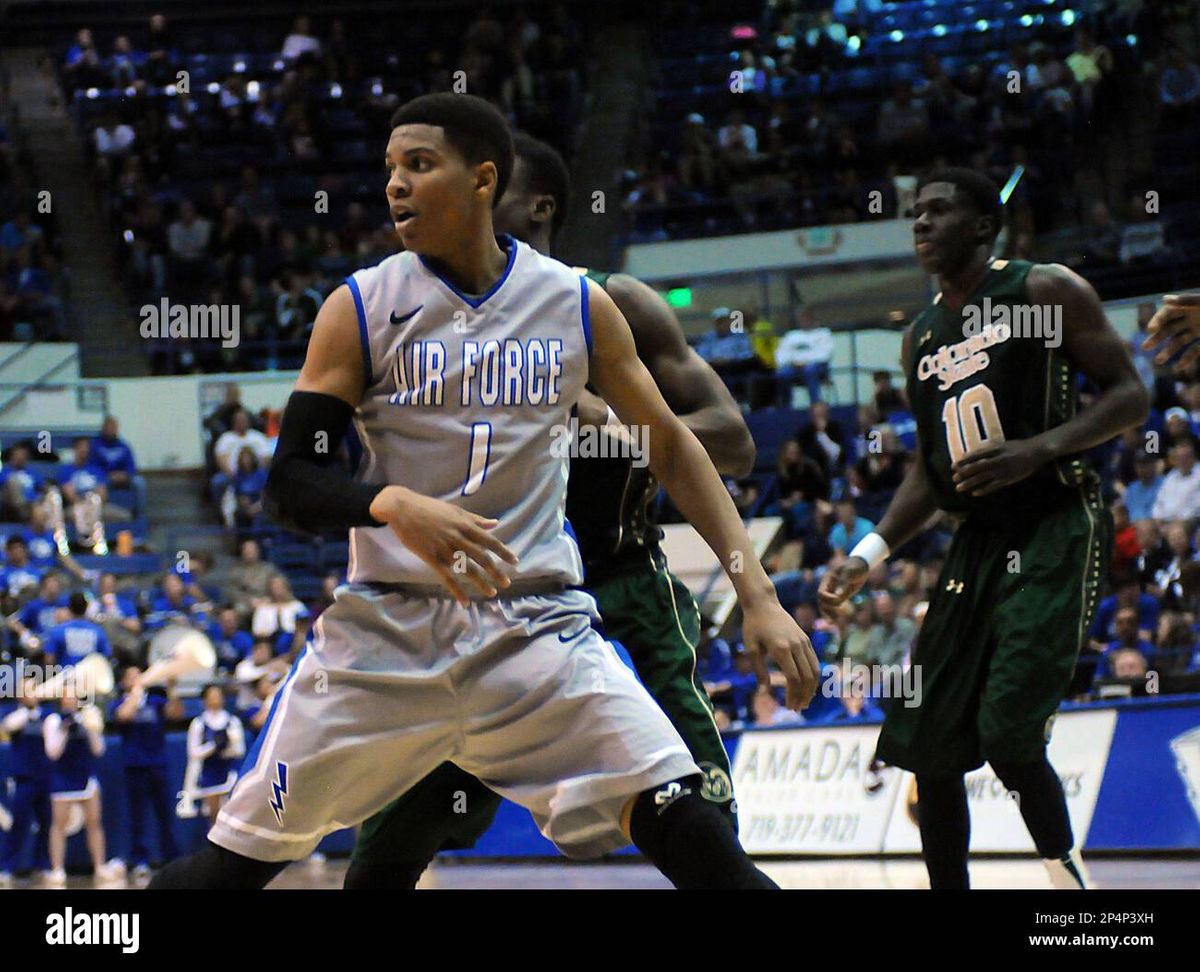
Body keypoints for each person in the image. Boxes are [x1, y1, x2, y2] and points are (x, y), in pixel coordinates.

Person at [151, 94, 818, 891]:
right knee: (228, 872)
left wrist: (760, 596)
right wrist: (391, 503)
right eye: (390, 169)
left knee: (697, 836)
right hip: (386, 639)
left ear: (483, 180)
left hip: (537, 633)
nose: (395, 185)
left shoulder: (576, 303)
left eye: (419, 165)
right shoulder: (359, 307)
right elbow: (290, 486)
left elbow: (674, 446)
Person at [346, 132, 756, 888]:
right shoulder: (425, 315)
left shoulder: (609, 303)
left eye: (484, 186)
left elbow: (732, 442)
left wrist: (610, 424)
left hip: (622, 581)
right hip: (496, 600)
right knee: (395, 838)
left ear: (536, 205)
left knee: (699, 818)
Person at [819, 168, 1149, 890]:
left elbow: (1131, 397)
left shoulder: (1044, 291)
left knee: (1006, 732)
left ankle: (1072, 890)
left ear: (982, 225)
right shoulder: (921, 338)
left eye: (939, 211)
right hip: (977, 540)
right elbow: (929, 473)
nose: (921, 224)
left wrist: (1039, 447)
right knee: (925, 737)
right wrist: (867, 551)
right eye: (915, 214)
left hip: (1056, 517)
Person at [108, 667, 184, 879]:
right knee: (138, 816)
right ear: (123, 682)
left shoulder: (156, 701)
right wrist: (136, 693)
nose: (137, 679)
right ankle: (140, 860)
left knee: (166, 814)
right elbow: (123, 716)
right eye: (131, 676)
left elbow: (176, 713)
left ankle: (172, 858)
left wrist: (172, 688)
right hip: (135, 766)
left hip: (158, 764)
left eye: (139, 675)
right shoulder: (119, 703)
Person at [43, 689, 123, 886]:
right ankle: (57, 869)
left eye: (74, 695)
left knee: (94, 823)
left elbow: (98, 750)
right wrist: (64, 728)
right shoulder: (53, 721)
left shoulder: (88, 717)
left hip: (86, 778)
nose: (71, 699)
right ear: (60, 699)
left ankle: (100, 866)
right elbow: (52, 753)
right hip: (62, 779)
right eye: (67, 695)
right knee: (58, 825)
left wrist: (92, 728)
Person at [0, 680, 52, 886]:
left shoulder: (48, 715)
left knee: (47, 824)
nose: (30, 694)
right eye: (26, 690)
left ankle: (43, 866)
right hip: (24, 779)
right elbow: (8, 726)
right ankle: (7, 867)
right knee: (18, 825)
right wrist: (28, 712)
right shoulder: (13, 714)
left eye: (33, 689)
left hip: (46, 777)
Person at [182, 685, 245, 821]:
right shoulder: (198, 723)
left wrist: (226, 747)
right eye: (211, 696)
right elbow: (193, 752)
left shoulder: (232, 721)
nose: (215, 699)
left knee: (230, 813)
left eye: (218, 696)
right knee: (214, 814)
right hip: (209, 772)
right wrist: (213, 746)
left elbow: (240, 750)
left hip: (228, 770)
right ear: (205, 700)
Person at [41, 591, 112, 667]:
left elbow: (49, 659)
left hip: (66, 675)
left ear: (69, 608)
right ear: (86, 607)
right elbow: (106, 657)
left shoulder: (58, 631)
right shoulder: (97, 632)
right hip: (89, 677)